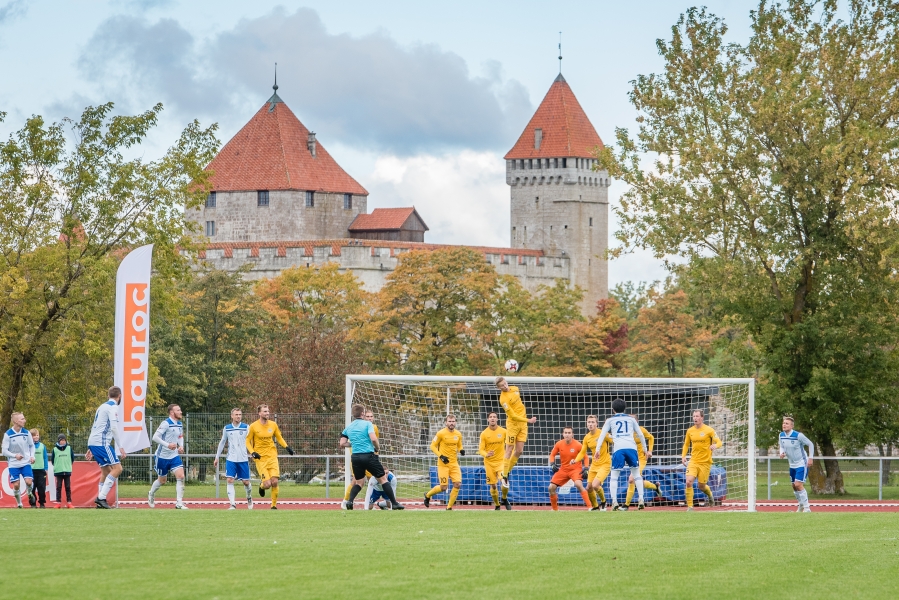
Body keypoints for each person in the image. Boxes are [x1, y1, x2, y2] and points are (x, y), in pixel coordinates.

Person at [339, 403, 403, 510]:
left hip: (355, 457)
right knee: (383, 479)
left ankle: (349, 502)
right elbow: (373, 439)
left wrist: (353, 444)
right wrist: (377, 447)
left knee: (359, 482)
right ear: (363, 413)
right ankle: (394, 503)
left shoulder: (348, 427)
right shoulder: (367, 424)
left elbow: (342, 443)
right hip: (368, 456)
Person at [597, 398, 649, 511]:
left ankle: (614, 501)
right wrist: (645, 449)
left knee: (614, 477)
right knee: (636, 475)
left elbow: (602, 435)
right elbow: (640, 434)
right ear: (624, 408)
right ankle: (641, 499)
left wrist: (597, 449)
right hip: (631, 448)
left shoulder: (610, 420)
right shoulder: (631, 419)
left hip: (619, 449)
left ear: (613, 409)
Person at [85, 387, 126, 509]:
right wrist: (121, 447)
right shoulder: (113, 407)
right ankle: (101, 498)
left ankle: (100, 500)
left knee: (106, 471)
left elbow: (95, 426)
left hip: (94, 441)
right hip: (101, 443)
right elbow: (113, 428)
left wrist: (90, 446)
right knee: (118, 469)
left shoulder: (101, 407)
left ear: (108, 395)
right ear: (120, 396)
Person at [247, 404, 295, 510]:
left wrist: (287, 447)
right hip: (260, 458)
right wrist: (252, 452)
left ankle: (273, 506)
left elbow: (279, 438)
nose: (267, 413)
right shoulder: (253, 426)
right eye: (265, 411)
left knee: (275, 481)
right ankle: (261, 486)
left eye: (268, 411)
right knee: (267, 484)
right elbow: (247, 441)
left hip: (272, 456)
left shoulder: (273, 425)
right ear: (259, 413)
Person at [495, 376, 537, 490]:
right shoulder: (503, 399)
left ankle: (506, 472)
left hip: (522, 425)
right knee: (509, 449)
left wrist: (525, 421)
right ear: (499, 388)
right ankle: (504, 475)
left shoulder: (515, 388)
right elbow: (513, 415)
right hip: (513, 425)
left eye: (505, 383)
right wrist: (529, 420)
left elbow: (519, 405)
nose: (504, 386)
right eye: (502, 386)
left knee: (519, 451)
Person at [148, 404, 188, 510]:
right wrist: (168, 445)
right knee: (162, 480)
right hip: (162, 456)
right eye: (178, 410)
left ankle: (179, 503)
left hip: (174, 456)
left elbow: (180, 436)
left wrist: (181, 446)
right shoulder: (166, 423)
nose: (181, 412)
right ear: (172, 412)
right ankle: (151, 493)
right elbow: (155, 437)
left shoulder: (179, 424)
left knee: (181, 476)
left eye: (180, 409)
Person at [681, 408, 722, 510]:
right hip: (694, 461)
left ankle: (710, 494)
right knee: (688, 482)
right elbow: (686, 444)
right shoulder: (690, 431)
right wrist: (683, 456)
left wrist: (715, 446)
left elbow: (719, 442)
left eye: (697, 416)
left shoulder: (709, 430)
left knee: (701, 486)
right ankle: (690, 506)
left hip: (705, 462)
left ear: (702, 418)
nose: (695, 418)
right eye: (694, 416)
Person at [214, 407, 253, 510]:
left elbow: (250, 441)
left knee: (246, 482)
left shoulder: (246, 427)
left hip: (243, 459)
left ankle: (249, 497)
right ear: (232, 416)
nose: (238, 416)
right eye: (236, 414)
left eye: (240, 414)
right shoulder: (227, 428)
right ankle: (232, 504)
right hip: (231, 458)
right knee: (230, 480)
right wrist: (217, 457)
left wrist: (253, 452)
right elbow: (222, 442)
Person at [424, 414, 465, 510]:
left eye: (453, 421)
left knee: (458, 484)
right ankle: (427, 495)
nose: (451, 423)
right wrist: (441, 456)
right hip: (443, 465)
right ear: (446, 422)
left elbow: (459, 445)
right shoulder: (440, 433)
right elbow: (432, 446)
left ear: (455, 422)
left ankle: (449, 507)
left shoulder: (458, 434)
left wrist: (461, 450)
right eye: (449, 421)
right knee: (443, 487)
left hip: (454, 464)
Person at [342, 409, 379, 510]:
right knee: (356, 481)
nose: (369, 418)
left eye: (371, 416)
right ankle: (346, 501)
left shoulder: (374, 427)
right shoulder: (357, 427)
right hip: (359, 457)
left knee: (373, 480)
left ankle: (369, 504)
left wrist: (376, 453)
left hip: (370, 457)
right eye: (367, 416)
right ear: (363, 417)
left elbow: (374, 441)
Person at [548, 426, 592, 510]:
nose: (567, 435)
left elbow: (586, 457)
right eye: (565, 433)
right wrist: (552, 463)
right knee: (551, 488)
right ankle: (555, 510)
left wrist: (586, 468)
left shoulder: (578, 444)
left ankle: (590, 507)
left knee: (578, 484)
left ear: (572, 435)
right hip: (563, 469)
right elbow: (552, 455)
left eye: (569, 433)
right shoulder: (559, 444)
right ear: (563, 434)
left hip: (575, 469)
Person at [575, 415, 614, 510]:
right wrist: (575, 460)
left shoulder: (603, 433)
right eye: (589, 422)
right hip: (594, 464)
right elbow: (582, 452)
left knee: (595, 485)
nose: (590, 424)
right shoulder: (586, 438)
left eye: (592, 422)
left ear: (597, 423)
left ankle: (604, 502)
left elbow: (615, 441)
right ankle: (596, 507)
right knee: (588, 488)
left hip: (605, 463)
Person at [779, 416, 814, 513]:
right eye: (783, 423)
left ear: (791, 426)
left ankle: (807, 508)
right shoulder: (781, 435)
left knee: (798, 484)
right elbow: (782, 446)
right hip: (792, 465)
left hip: (802, 463)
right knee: (794, 486)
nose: (784, 425)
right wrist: (781, 453)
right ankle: (801, 505)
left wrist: (810, 458)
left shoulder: (798, 435)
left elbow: (810, 444)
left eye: (787, 423)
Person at [624, 414, 660, 506]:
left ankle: (626, 505)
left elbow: (651, 437)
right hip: (632, 460)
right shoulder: (626, 432)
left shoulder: (641, 430)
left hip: (641, 459)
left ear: (636, 422)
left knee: (631, 479)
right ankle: (655, 487)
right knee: (637, 481)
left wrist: (650, 451)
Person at [2, 412, 36, 509]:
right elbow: (4, 451)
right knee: (16, 485)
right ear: (16, 421)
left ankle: (29, 493)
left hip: (25, 462)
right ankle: (19, 504)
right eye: (22, 419)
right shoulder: (8, 435)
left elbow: (32, 445)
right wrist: (14, 455)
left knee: (29, 482)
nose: (24, 420)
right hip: (13, 464)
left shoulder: (26, 432)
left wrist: (32, 456)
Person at [478, 412, 510, 510]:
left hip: (501, 462)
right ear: (488, 419)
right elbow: (481, 449)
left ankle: (504, 498)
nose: (492, 418)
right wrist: (486, 454)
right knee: (493, 485)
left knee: (504, 482)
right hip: (489, 463)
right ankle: (497, 504)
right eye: (490, 417)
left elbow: (510, 444)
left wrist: (509, 454)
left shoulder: (504, 431)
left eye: (494, 417)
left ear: (497, 419)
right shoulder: (484, 434)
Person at [51, 434, 74, 508]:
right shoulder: (54, 449)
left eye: (64, 440)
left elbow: (72, 459)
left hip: (67, 471)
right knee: (58, 487)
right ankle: (58, 503)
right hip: (58, 471)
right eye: (61, 440)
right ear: (58, 441)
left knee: (68, 487)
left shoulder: (69, 448)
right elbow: (52, 460)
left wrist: (67, 465)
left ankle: (69, 503)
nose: (63, 442)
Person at [29, 429, 49, 508]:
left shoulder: (42, 446)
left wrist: (46, 468)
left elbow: (45, 458)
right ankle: (33, 504)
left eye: (37, 435)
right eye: (34, 435)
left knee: (41, 488)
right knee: (31, 488)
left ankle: (42, 503)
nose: (36, 437)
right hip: (31, 470)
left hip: (41, 470)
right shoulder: (29, 446)